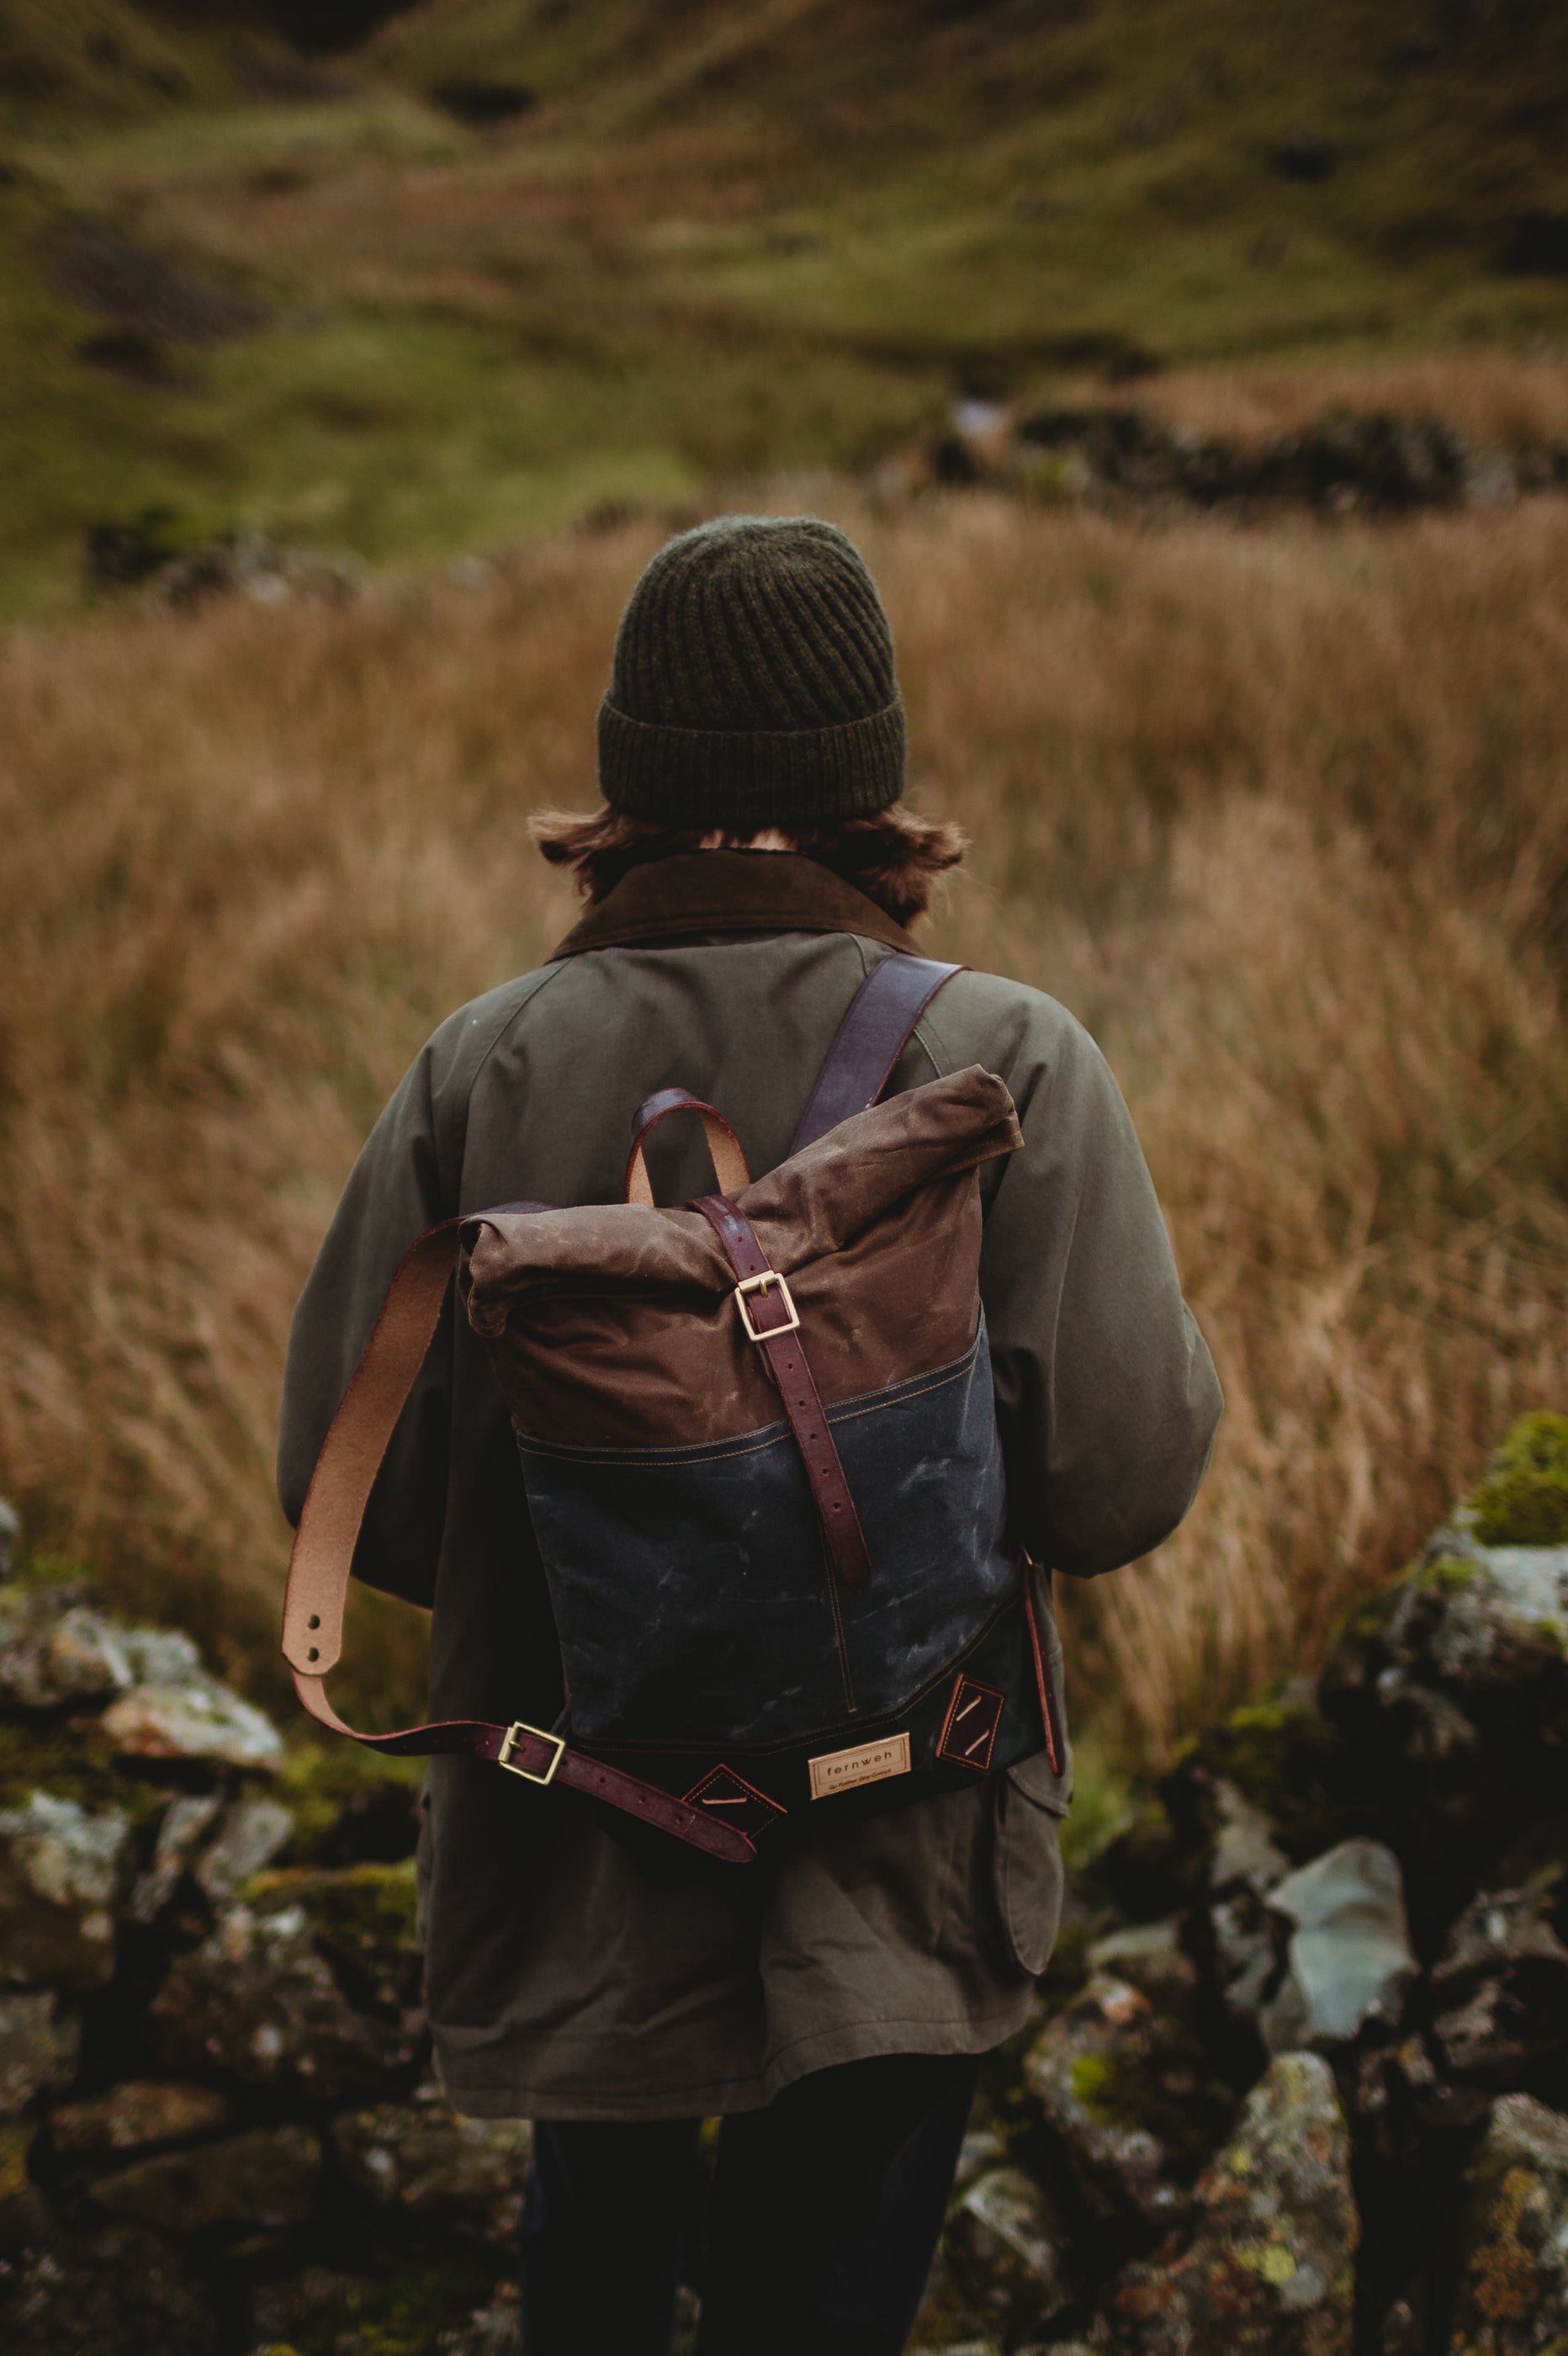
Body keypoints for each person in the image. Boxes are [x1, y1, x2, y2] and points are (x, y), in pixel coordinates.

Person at [278, 515, 1222, 2355]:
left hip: (576, 1840)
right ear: (872, 783)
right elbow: (1116, 1484)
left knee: (598, 2276)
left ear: (627, 777)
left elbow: (362, 1504)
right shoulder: (1013, 1059)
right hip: (905, 1843)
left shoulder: (480, 1064)